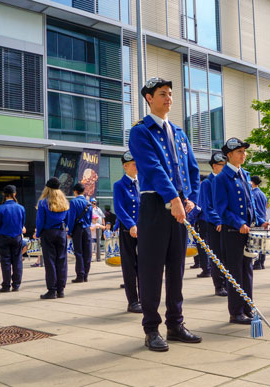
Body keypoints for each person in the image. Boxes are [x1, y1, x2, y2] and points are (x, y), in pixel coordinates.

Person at [129, 77, 202, 352]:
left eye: (170, 94)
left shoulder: (180, 133)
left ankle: (175, 324)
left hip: (180, 208)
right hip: (154, 208)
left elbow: (193, 169)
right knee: (150, 270)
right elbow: (153, 168)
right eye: (162, 94)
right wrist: (174, 198)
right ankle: (151, 329)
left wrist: (190, 198)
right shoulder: (141, 131)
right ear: (149, 98)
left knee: (177, 269)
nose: (168, 98)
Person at [214, 137, 261, 324]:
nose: (244, 155)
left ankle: (248, 306)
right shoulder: (222, 178)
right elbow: (221, 208)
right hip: (233, 232)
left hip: (247, 231)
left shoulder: (245, 174)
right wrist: (238, 222)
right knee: (235, 272)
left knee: (247, 270)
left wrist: (259, 221)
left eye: (244, 151)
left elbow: (250, 204)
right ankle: (236, 312)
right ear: (229, 155)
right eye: (240, 152)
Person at [113, 150, 142, 313]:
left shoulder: (142, 183)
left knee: (144, 265)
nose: (137, 167)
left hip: (143, 229)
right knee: (130, 266)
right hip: (128, 230)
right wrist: (131, 225)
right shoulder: (119, 185)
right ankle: (133, 301)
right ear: (125, 166)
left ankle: (144, 298)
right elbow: (119, 208)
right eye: (134, 164)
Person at [199, 152, 228, 296]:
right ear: (215, 166)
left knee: (227, 255)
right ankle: (219, 285)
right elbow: (207, 206)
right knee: (217, 255)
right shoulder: (207, 183)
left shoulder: (225, 180)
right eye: (223, 165)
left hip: (227, 223)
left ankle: (228, 283)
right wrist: (218, 221)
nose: (225, 168)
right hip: (213, 223)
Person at [36, 178, 69, 299]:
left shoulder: (43, 203)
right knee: (62, 261)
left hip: (48, 233)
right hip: (61, 233)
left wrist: (38, 233)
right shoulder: (64, 202)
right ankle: (61, 290)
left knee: (50, 262)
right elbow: (68, 220)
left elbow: (40, 221)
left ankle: (52, 290)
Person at [0, 185, 26, 292]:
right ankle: (16, 284)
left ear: (4, 194)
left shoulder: (0, 208)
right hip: (17, 237)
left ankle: (6, 285)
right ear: (14, 194)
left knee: (5, 261)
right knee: (17, 261)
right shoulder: (21, 208)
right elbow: (22, 223)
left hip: (3, 237)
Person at [67, 183, 93, 283]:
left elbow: (71, 218)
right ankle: (86, 275)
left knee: (79, 252)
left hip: (77, 229)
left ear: (75, 191)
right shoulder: (88, 203)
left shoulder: (73, 202)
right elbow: (90, 218)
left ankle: (80, 275)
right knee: (87, 253)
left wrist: (70, 230)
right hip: (87, 229)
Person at [251, 175, 269, 271]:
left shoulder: (252, 194)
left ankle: (257, 263)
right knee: (263, 242)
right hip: (264, 219)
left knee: (256, 242)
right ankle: (262, 262)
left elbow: (253, 209)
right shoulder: (262, 194)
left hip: (257, 220)